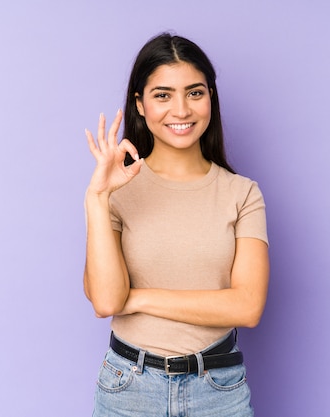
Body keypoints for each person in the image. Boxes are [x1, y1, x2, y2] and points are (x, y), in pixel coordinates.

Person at [83, 33, 269, 417]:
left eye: (195, 93)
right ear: (140, 104)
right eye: (163, 95)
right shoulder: (118, 191)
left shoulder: (242, 193)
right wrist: (97, 198)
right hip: (129, 388)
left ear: (210, 98)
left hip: (218, 390)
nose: (181, 110)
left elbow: (247, 306)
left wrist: (139, 298)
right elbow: (105, 300)